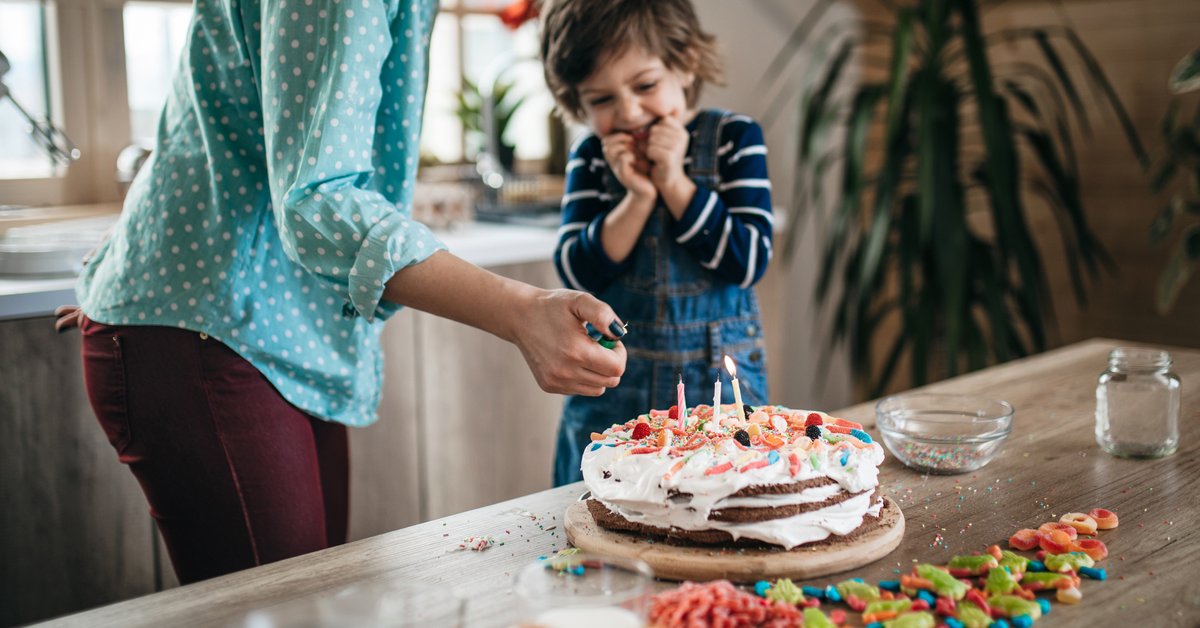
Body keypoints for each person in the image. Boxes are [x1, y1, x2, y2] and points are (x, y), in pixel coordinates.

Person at [55, 0, 625, 584]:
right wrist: (524, 311)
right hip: (210, 324)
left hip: (263, 327)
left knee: (315, 602)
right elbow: (320, 197)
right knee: (285, 611)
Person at [541, 0, 774, 485]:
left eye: (645, 85)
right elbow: (577, 273)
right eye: (601, 100)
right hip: (612, 387)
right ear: (578, 102)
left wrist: (674, 182)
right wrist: (639, 196)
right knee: (596, 516)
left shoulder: (735, 138)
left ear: (684, 62)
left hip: (720, 391)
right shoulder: (590, 156)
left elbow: (748, 260)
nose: (628, 112)